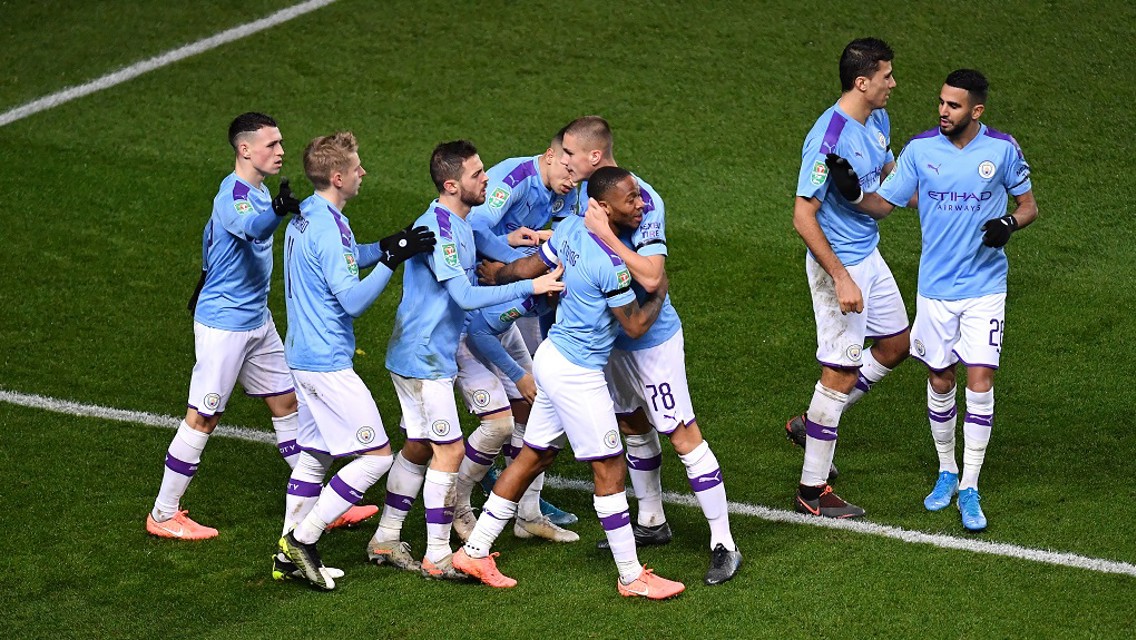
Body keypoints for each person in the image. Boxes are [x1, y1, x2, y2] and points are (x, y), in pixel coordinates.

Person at [453, 166, 685, 600]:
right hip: (577, 373)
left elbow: (530, 265)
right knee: (610, 467)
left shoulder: (571, 228)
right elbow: (634, 326)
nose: (640, 204)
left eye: (638, 196)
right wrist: (658, 292)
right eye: (630, 199)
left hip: (552, 358)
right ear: (602, 207)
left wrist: (498, 275)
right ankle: (632, 576)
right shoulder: (612, 263)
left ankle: (475, 550)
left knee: (532, 458)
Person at [824, 69, 1037, 531]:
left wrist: (1010, 224)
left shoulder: (1002, 149)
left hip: (985, 288)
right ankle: (947, 469)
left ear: (975, 111)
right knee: (941, 379)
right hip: (935, 290)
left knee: (979, 380)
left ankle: (971, 486)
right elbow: (886, 204)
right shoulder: (920, 151)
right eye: (941, 102)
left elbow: (1028, 205)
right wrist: (855, 193)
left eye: (954, 105)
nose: (943, 110)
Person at [145, 113, 374, 542]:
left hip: (257, 320)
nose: (281, 151)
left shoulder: (261, 190)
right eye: (271, 144)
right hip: (224, 326)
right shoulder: (232, 196)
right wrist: (274, 214)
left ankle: (316, 502)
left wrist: (273, 208)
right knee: (203, 417)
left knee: (288, 404)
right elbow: (252, 229)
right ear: (245, 149)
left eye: (281, 142)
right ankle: (163, 513)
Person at [377, 140, 564, 580]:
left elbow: (500, 250)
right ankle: (439, 555)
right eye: (478, 174)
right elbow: (463, 295)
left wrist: (529, 245)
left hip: (430, 354)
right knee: (450, 449)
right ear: (451, 184)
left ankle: (386, 537)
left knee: (423, 445)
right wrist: (528, 288)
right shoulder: (440, 229)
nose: (487, 180)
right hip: (424, 357)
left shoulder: (461, 222)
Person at [274, 131, 435, 590]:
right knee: (377, 456)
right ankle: (302, 540)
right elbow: (352, 301)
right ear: (339, 176)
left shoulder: (310, 213)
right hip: (325, 363)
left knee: (313, 457)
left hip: (301, 356)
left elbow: (341, 259)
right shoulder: (326, 224)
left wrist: (385, 246)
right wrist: (391, 262)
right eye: (358, 167)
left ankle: (286, 555)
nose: (364, 172)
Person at [789, 38, 910, 518]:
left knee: (897, 344)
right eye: (887, 76)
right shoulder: (828, 140)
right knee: (839, 371)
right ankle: (811, 490)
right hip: (837, 264)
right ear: (863, 82)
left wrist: (866, 194)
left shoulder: (877, 119)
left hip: (867, 253)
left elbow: (892, 178)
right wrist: (840, 277)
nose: (893, 84)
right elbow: (803, 216)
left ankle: (811, 423)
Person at [465, 133, 580, 526]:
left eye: (578, 175)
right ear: (550, 155)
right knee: (515, 393)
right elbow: (473, 229)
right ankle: (479, 490)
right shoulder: (513, 178)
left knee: (530, 396)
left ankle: (523, 499)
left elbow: (567, 239)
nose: (572, 181)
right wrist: (511, 256)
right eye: (567, 169)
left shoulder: (565, 187)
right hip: (486, 293)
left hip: (522, 289)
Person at [451, 294, 578, 543]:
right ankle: (457, 507)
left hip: (503, 325)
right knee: (497, 425)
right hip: (464, 333)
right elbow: (479, 330)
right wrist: (518, 375)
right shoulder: (522, 287)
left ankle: (528, 515)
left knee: (534, 409)